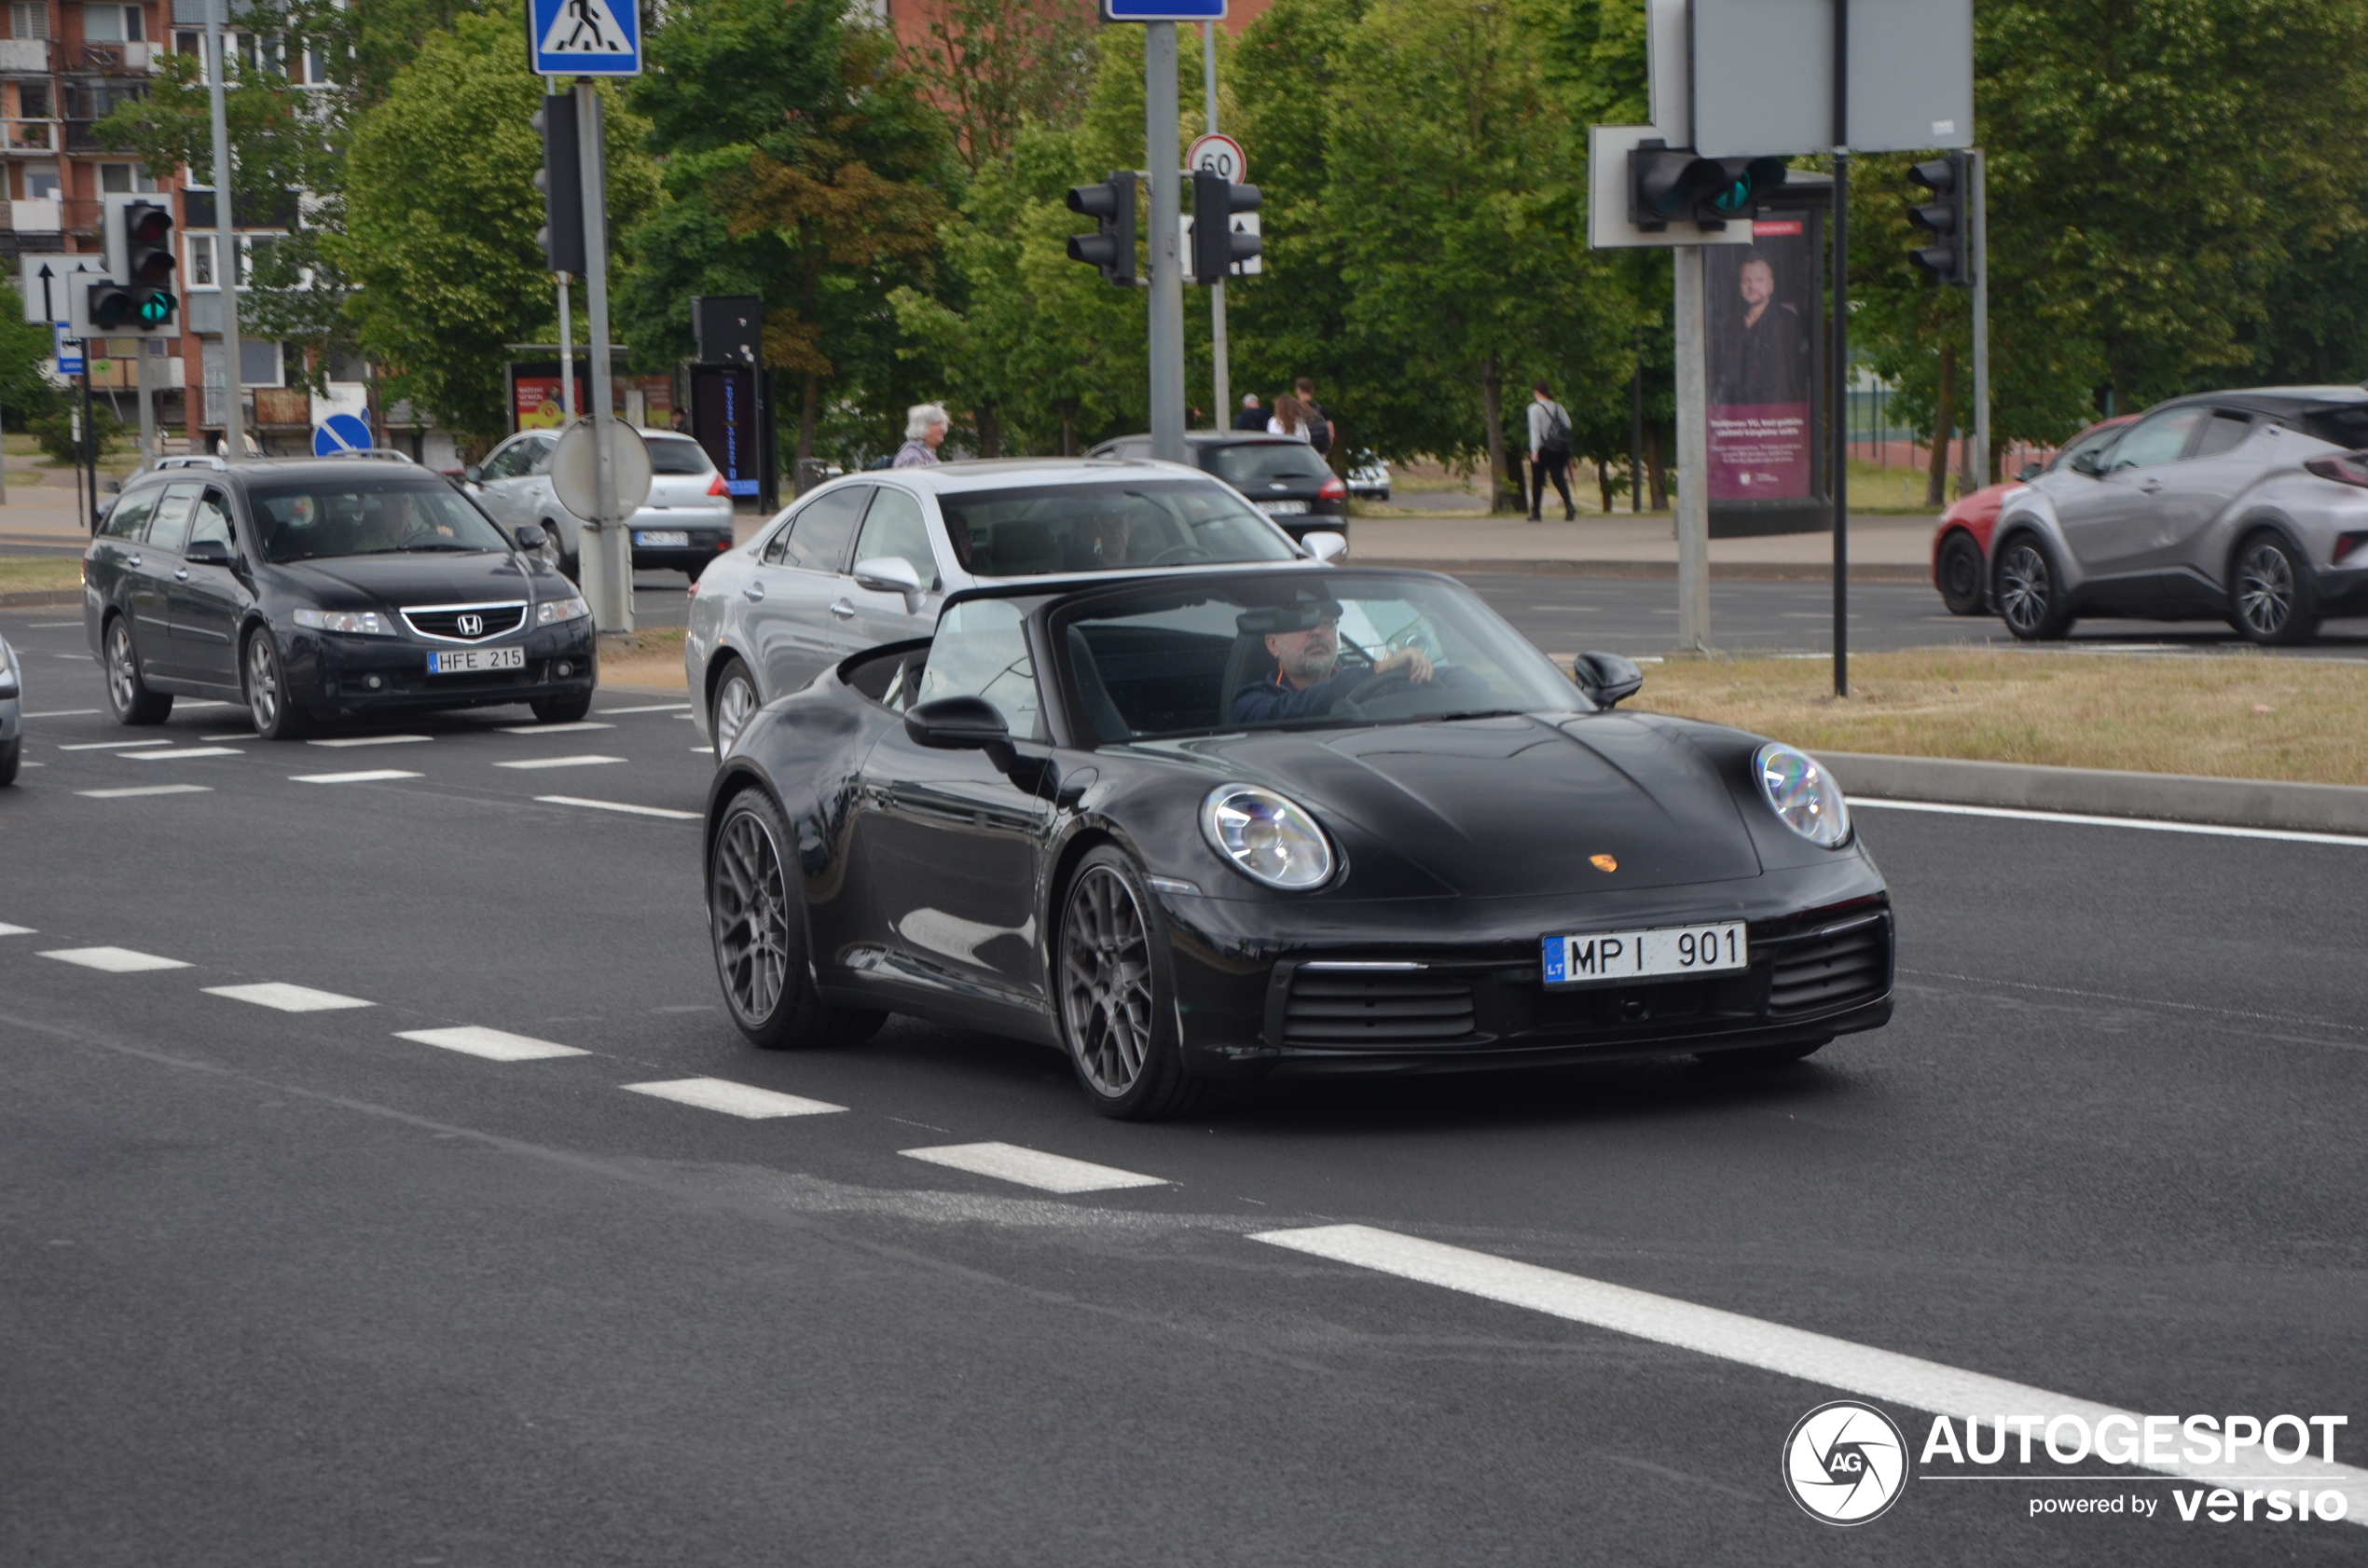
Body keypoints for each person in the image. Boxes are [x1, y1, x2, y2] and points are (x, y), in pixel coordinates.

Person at [1231, 598, 1434, 724]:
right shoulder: (1251, 702)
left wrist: (1419, 669)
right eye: (1303, 624)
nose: (1317, 631)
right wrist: (1375, 671)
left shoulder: (1376, 684)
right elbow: (1293, 710)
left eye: (1326, 623)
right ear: (1273, 644)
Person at [1720, 251, 1808, 406]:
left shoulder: (1787, 321)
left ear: (1771, 284)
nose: (1752, 286)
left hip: (1773, 415)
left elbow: (1792, 374)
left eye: (1759, 280)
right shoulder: (1728, 323)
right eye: (1746, 280)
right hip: (1734, 415)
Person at [1526, 380, 1576, 522]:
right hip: (1560, 449)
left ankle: (1536, 512)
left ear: (1536, 392)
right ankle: (1569, 506)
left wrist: (1534, 450)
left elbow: (1535, 431)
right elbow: (1568, 425)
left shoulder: (1534, 409)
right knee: (1558, 478)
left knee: (1538, 480)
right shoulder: (1558, 407)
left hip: (1543, 449)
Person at [892, 403, 949, 468]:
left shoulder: (925, 453)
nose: (943, 428)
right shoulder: (913, 458)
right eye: (937, 424)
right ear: (921, 426)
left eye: (942, 423)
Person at [1295, 378, 1333, 456]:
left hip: (1301, 451)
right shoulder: (1321, 409)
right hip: (1320, 450)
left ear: (1298, 390)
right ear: (1312, 391)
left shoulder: (1294, 410)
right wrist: (1326, 451)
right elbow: (1331, 433)